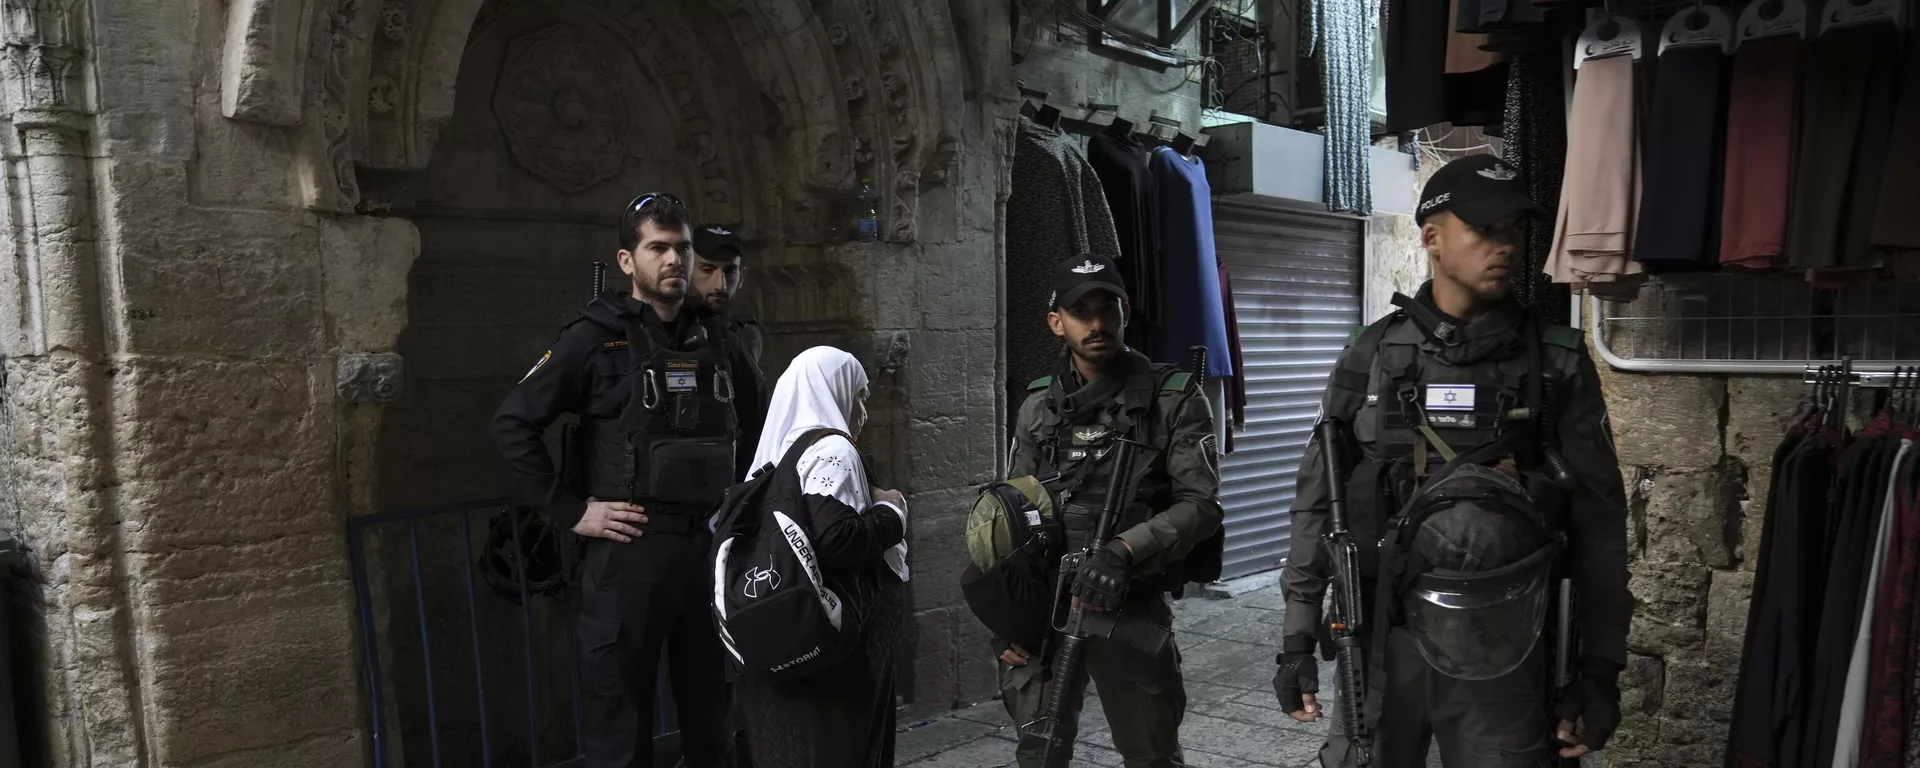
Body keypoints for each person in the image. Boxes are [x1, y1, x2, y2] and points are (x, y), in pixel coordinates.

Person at [1272, 154, 1632, 767]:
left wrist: (1600, 668)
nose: (1507, 246)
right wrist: (1297, 638)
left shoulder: (1556, 362)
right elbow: (1318, 502)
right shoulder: (1371, 357)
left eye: (1515, 230)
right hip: (1384, 642)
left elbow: (1600, 525)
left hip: (1510, 649)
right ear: (1432, 238)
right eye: (1486, 229)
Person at [490, 192, 765, 768]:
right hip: (628, 556)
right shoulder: (593, 338)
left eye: (682, 249)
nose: (674, 260)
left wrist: (745, 516)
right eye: (657, 248)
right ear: (626, 261)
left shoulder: (719, 340)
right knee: (617, 724)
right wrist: (571, 510)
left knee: (716, 720)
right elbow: (512, 425)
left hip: (708, 553)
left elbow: (761, 431)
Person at [1001, 252, 1223, 768]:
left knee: (1151, 752)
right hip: (1048, 601)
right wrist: (1010, 617)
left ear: (1126, 312)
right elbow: (1014, 513)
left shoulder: (1172, 398)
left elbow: (1201, 505)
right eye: (1082, 312)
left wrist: (1125, 551)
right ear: (1057, 323)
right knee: (1039, 751)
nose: (1097, 323)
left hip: (1128, 599)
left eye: (1109, 308)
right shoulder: (1039, 405)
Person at [733, 345, 909, 768]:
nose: (863, 408)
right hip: (838, 640)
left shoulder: (779, 451)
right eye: (860, 395)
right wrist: (892, 510)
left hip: (785, 630)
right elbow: (836, 538)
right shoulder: (834, 450)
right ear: (835, 392)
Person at [692, 223, 765, 367]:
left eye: (730, 271)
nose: (721, 285)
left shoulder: (747, 334)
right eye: (707, 270)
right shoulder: (660, 329)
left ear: (741, 277)